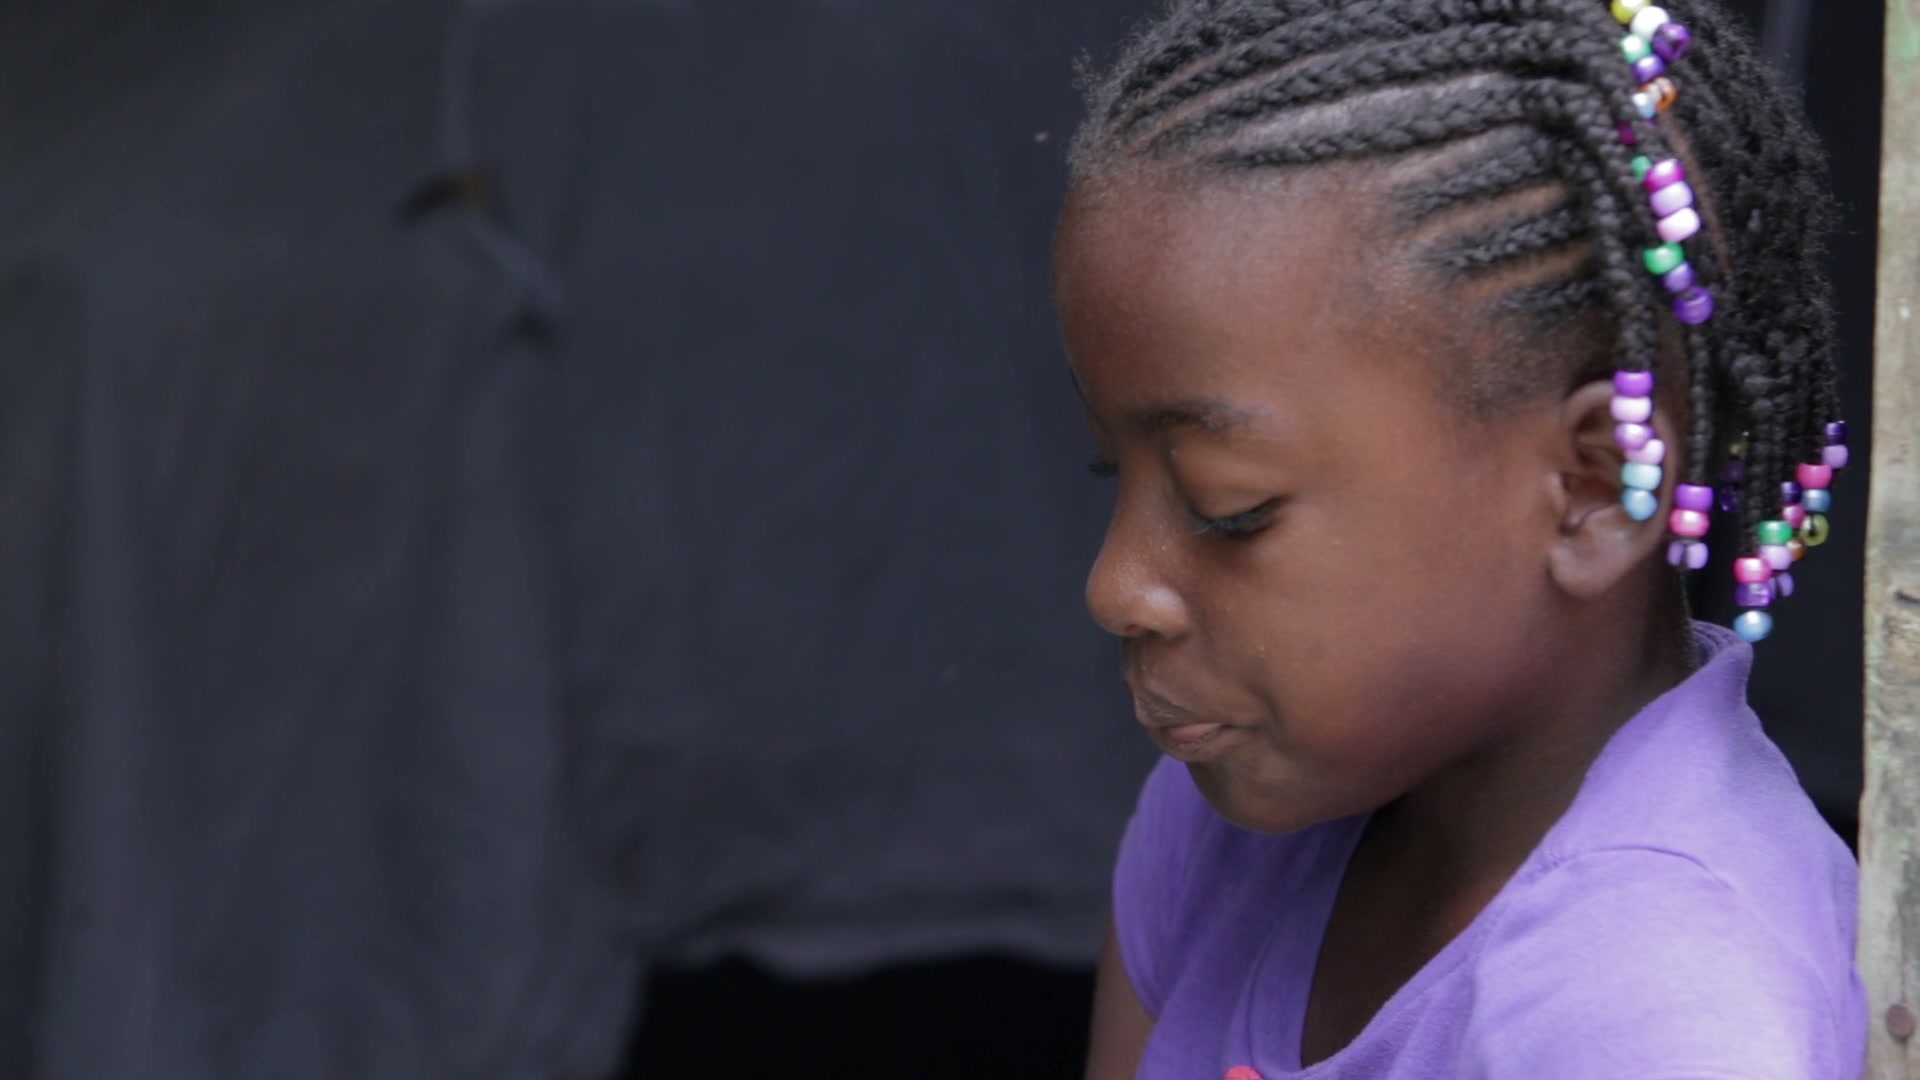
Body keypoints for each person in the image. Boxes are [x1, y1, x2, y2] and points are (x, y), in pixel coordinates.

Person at [1052, 1, 1866, 1076]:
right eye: (1119, 476)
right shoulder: (1227, 818)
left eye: (1226, 506)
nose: (1117, 587)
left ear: (1596, 487)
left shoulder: (1663, 1014)